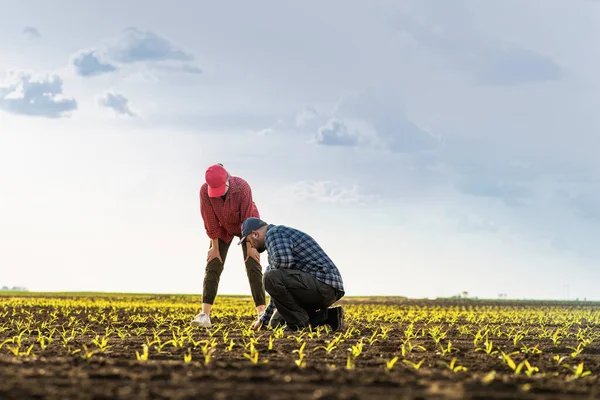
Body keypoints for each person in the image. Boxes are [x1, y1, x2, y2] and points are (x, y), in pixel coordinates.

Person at [238, 217, 346, 332]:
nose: (252, 246)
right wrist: (263, 320)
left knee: (269, 276)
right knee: (276, 323)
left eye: (249, 241)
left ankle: (299, 325)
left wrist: (270, 273)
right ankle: (330, 316)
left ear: (255, 234)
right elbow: (278, 289)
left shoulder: (274, 233)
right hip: (319, 288)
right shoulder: (275, 242)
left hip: (323, 284)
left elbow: (282, 267)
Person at [191, 164, 266, 328]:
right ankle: (205, 315)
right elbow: (210, 220)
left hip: (247, 224)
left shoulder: (243, 187)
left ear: (228, 181)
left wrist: (251, 247)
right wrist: (215, 248)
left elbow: (247, 219)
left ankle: (262, 313)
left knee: (252, 263)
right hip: (222, 227)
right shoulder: (205, 191)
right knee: (213, 263)